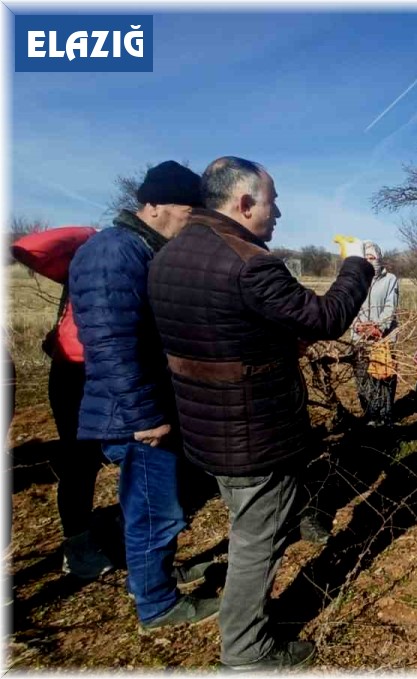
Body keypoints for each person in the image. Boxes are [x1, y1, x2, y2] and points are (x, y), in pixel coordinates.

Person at [147, 156, 373, 670]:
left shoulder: (169, 254)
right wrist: (357, 265)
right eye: (273, 202)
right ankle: (246, 653)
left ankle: (242, 636)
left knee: (247, 526)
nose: (279, 213)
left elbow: (221, 330)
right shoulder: (250, 262)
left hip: (205, 426)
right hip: (253, 433)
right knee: (258, 542)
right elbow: (325, 318)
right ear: (245, 202)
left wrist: (271, 345)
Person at [69, 161, 219, 630]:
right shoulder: (114, 252)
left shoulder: (141, 249)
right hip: (133, 414)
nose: (191, 222)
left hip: (145, 406)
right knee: (153, 510)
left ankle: (154, 576)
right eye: (188, 211)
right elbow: (110, 343)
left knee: (159, 503)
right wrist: (145, 415)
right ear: (153, 206)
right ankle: (157, 604)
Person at [12, 226, 113, 579]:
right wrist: (92, 234)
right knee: (80, 459)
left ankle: (134, 532)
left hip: (117, 369)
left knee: (133, 454)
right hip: (74, 374)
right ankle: (77, 543)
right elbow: (28, 247)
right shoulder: (88, 258)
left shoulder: (140, 261)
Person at [351, 241, 399, 426]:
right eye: (366, 258)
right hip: (360, 339)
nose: (369, 261)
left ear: (379, 258)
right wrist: (357, 325)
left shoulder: (390, 280)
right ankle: (370, 415)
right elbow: (350, 306)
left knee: (384, 377)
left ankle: (385, 416)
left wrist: (378, 326)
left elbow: (390, 306)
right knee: (363, 377)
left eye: (373, 258)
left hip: (383, 339)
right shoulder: (356, 280)